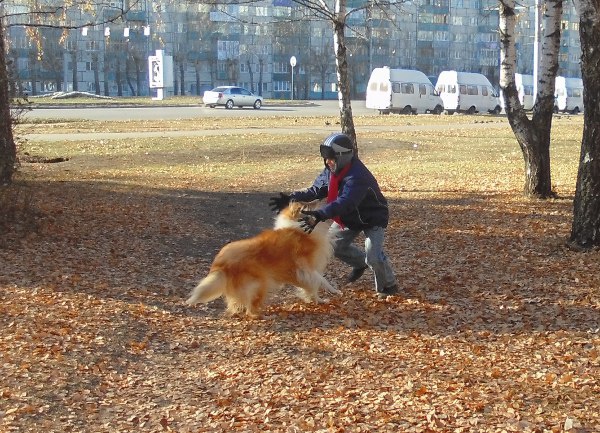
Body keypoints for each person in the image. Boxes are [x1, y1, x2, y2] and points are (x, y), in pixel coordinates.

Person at [269, 132, 398, 299]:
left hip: (372, 217)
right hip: (349, 217)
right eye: (326, 158)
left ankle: (388, 286)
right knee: (335, 246)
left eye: (331, 158)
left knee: (373, 255)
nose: (328, 161)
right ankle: (360, 263)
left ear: (343, 156)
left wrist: (319, 214)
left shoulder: (357, 176)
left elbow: (345, 202)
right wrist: (291, 198)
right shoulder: (331, 171)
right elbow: (316, 190)